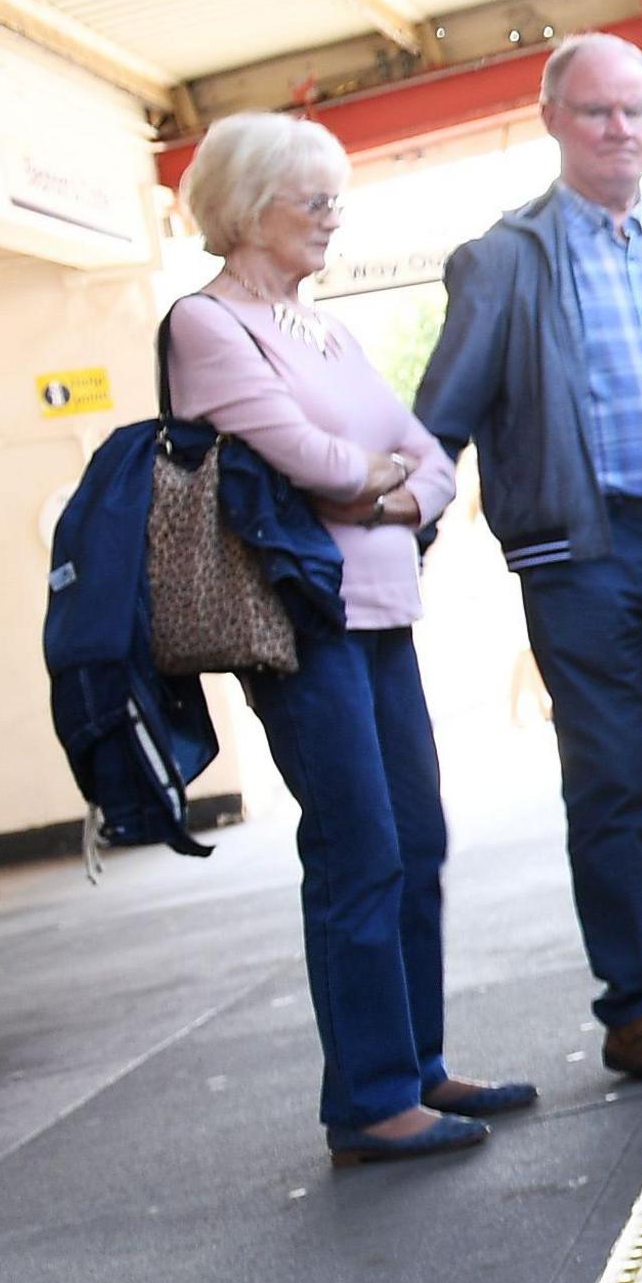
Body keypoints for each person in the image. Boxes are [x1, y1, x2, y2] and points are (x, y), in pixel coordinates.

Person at [167, 113, 529, 1165]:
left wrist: (383, 488)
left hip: (381, 610)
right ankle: (370, 1099)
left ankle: (415, 1063)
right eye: (312, 200)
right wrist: (371, 481)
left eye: (336, 199)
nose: (332, 218)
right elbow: (312, 460)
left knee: (416, 839)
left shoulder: (325, 331)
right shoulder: (209, 324)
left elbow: (425, 457)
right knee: (357, 847)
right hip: (301, 620)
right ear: (245, 209)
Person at [418, 35, 642, 1085]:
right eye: (595, 112)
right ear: (552, 119)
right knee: (614, 778)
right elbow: (442, 412)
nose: (620, 130)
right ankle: (638, 1004)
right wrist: (392, 539)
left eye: (636, 112)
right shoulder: (508, 258)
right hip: (584, 552)